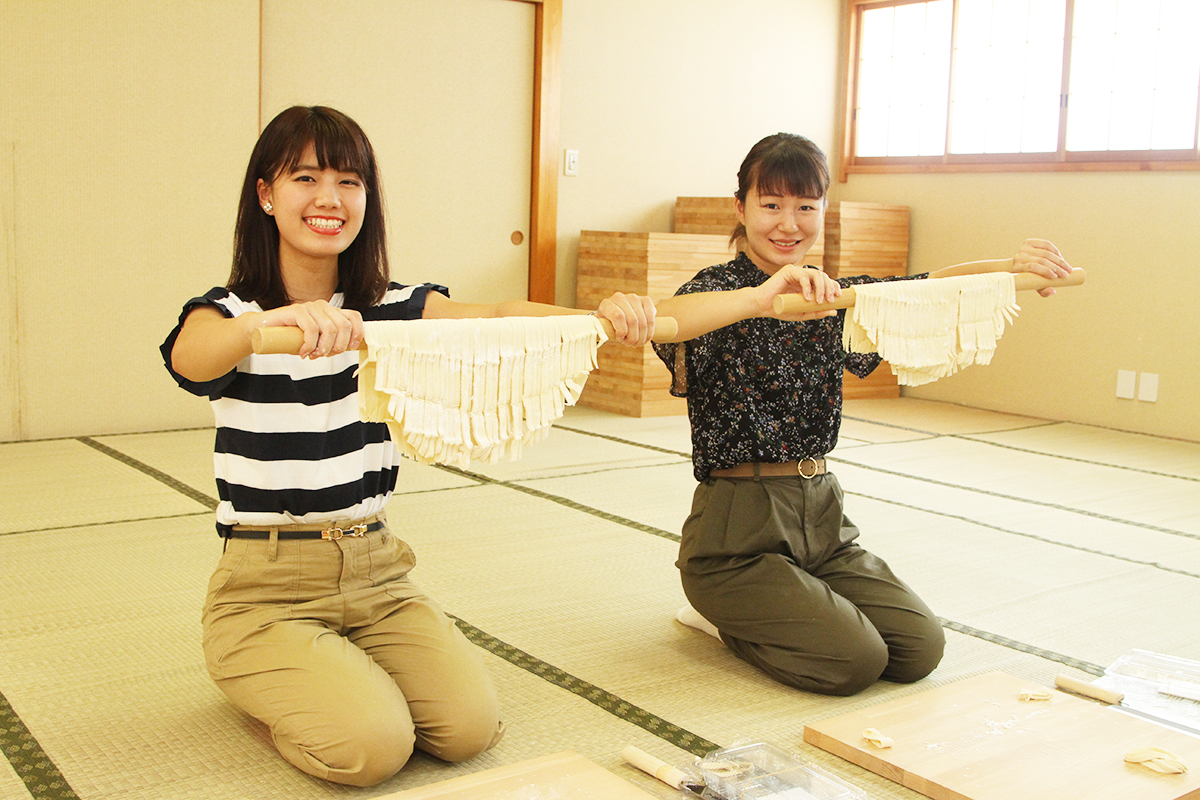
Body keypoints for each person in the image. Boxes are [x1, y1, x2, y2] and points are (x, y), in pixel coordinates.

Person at [160, 105, 656, 786]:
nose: (330, 198)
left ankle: (329, 674)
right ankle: (259, 677)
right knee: (374, 750)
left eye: (349, 180)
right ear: (267, 195)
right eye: (305, 178)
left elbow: (497, 315)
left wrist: (595, 315)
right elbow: (193, 355)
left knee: (467, 730)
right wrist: (271, 325)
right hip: (266, 588)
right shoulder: (233, 311)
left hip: (379, 572)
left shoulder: (392, 306)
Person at [652, 132, 1072, 697]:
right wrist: (760, 296)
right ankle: (724, 617)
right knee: (853, 662)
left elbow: (924, 291)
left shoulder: (832, 297)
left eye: (805, 206)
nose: (788, 223)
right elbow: (666, 319)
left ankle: (788, 601)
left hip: (823, 518)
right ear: (741, 208)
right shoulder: (720, 291)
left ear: (823, 209)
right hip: (736, 538)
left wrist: (1009, 269)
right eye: (771, 205)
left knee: (918, 649)